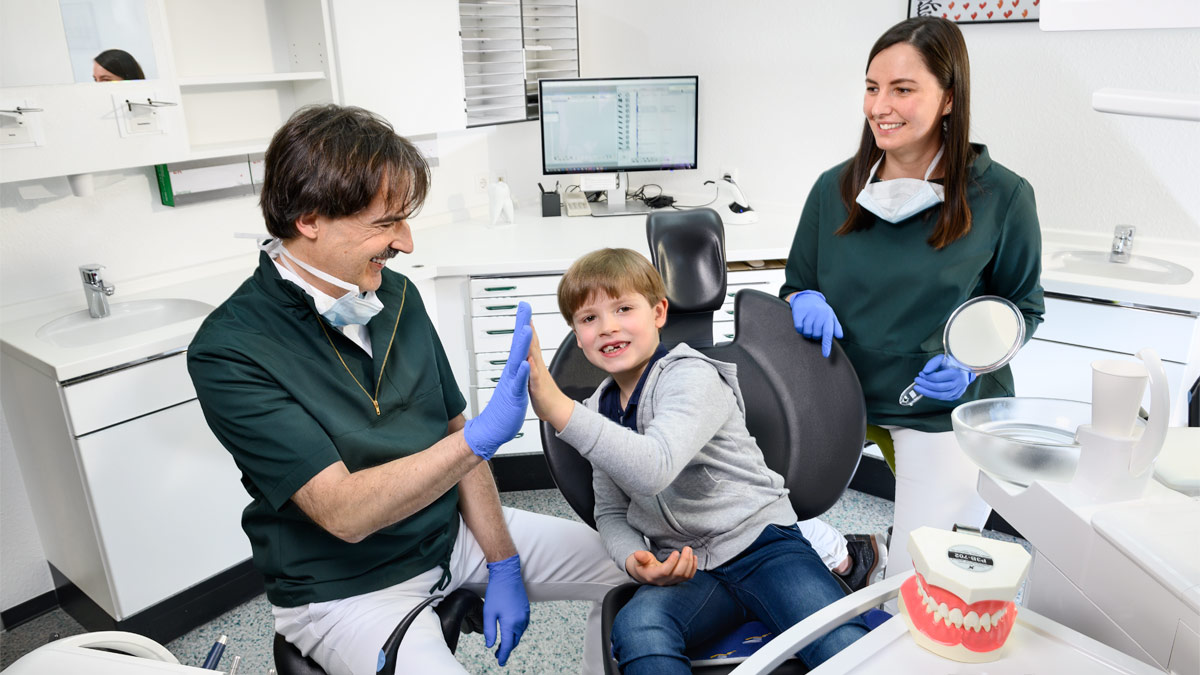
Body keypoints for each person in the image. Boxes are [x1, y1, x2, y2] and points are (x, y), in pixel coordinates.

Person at [187, 104, 626, 675]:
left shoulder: (394, 297)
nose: (407, 242)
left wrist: (502, 564)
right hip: (347, 589)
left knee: (632, 570)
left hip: (449, 535)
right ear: (310, 219)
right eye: (386, 222)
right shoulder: (232, 348)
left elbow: (450, 432)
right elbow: (343, 512)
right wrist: (479, 440)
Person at [781, 16, 1045, 577]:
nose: (881, 106)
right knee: (741, 516)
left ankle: (888, 564)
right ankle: (850, 557)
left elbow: (1023, 308)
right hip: (840, 394)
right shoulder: (835, 189)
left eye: (903, 89)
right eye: (873, 88)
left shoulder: (1002, 197)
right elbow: (798, 280)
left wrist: (971, 366)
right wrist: (802, 299)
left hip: (937, 409)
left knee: (919, 581)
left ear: (948, 98)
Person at [525, 248, 870, 674]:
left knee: (839, 641)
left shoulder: (692, 374)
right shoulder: (599, 411)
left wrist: (557, 407)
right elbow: (612, 512)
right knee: (639, 631)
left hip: (763, 546)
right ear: (577, 336)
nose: (608, 326)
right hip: (688, 568)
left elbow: (654, 467)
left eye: (624, 308)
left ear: (658, 312)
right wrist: (636, 559)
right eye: (589, 318)